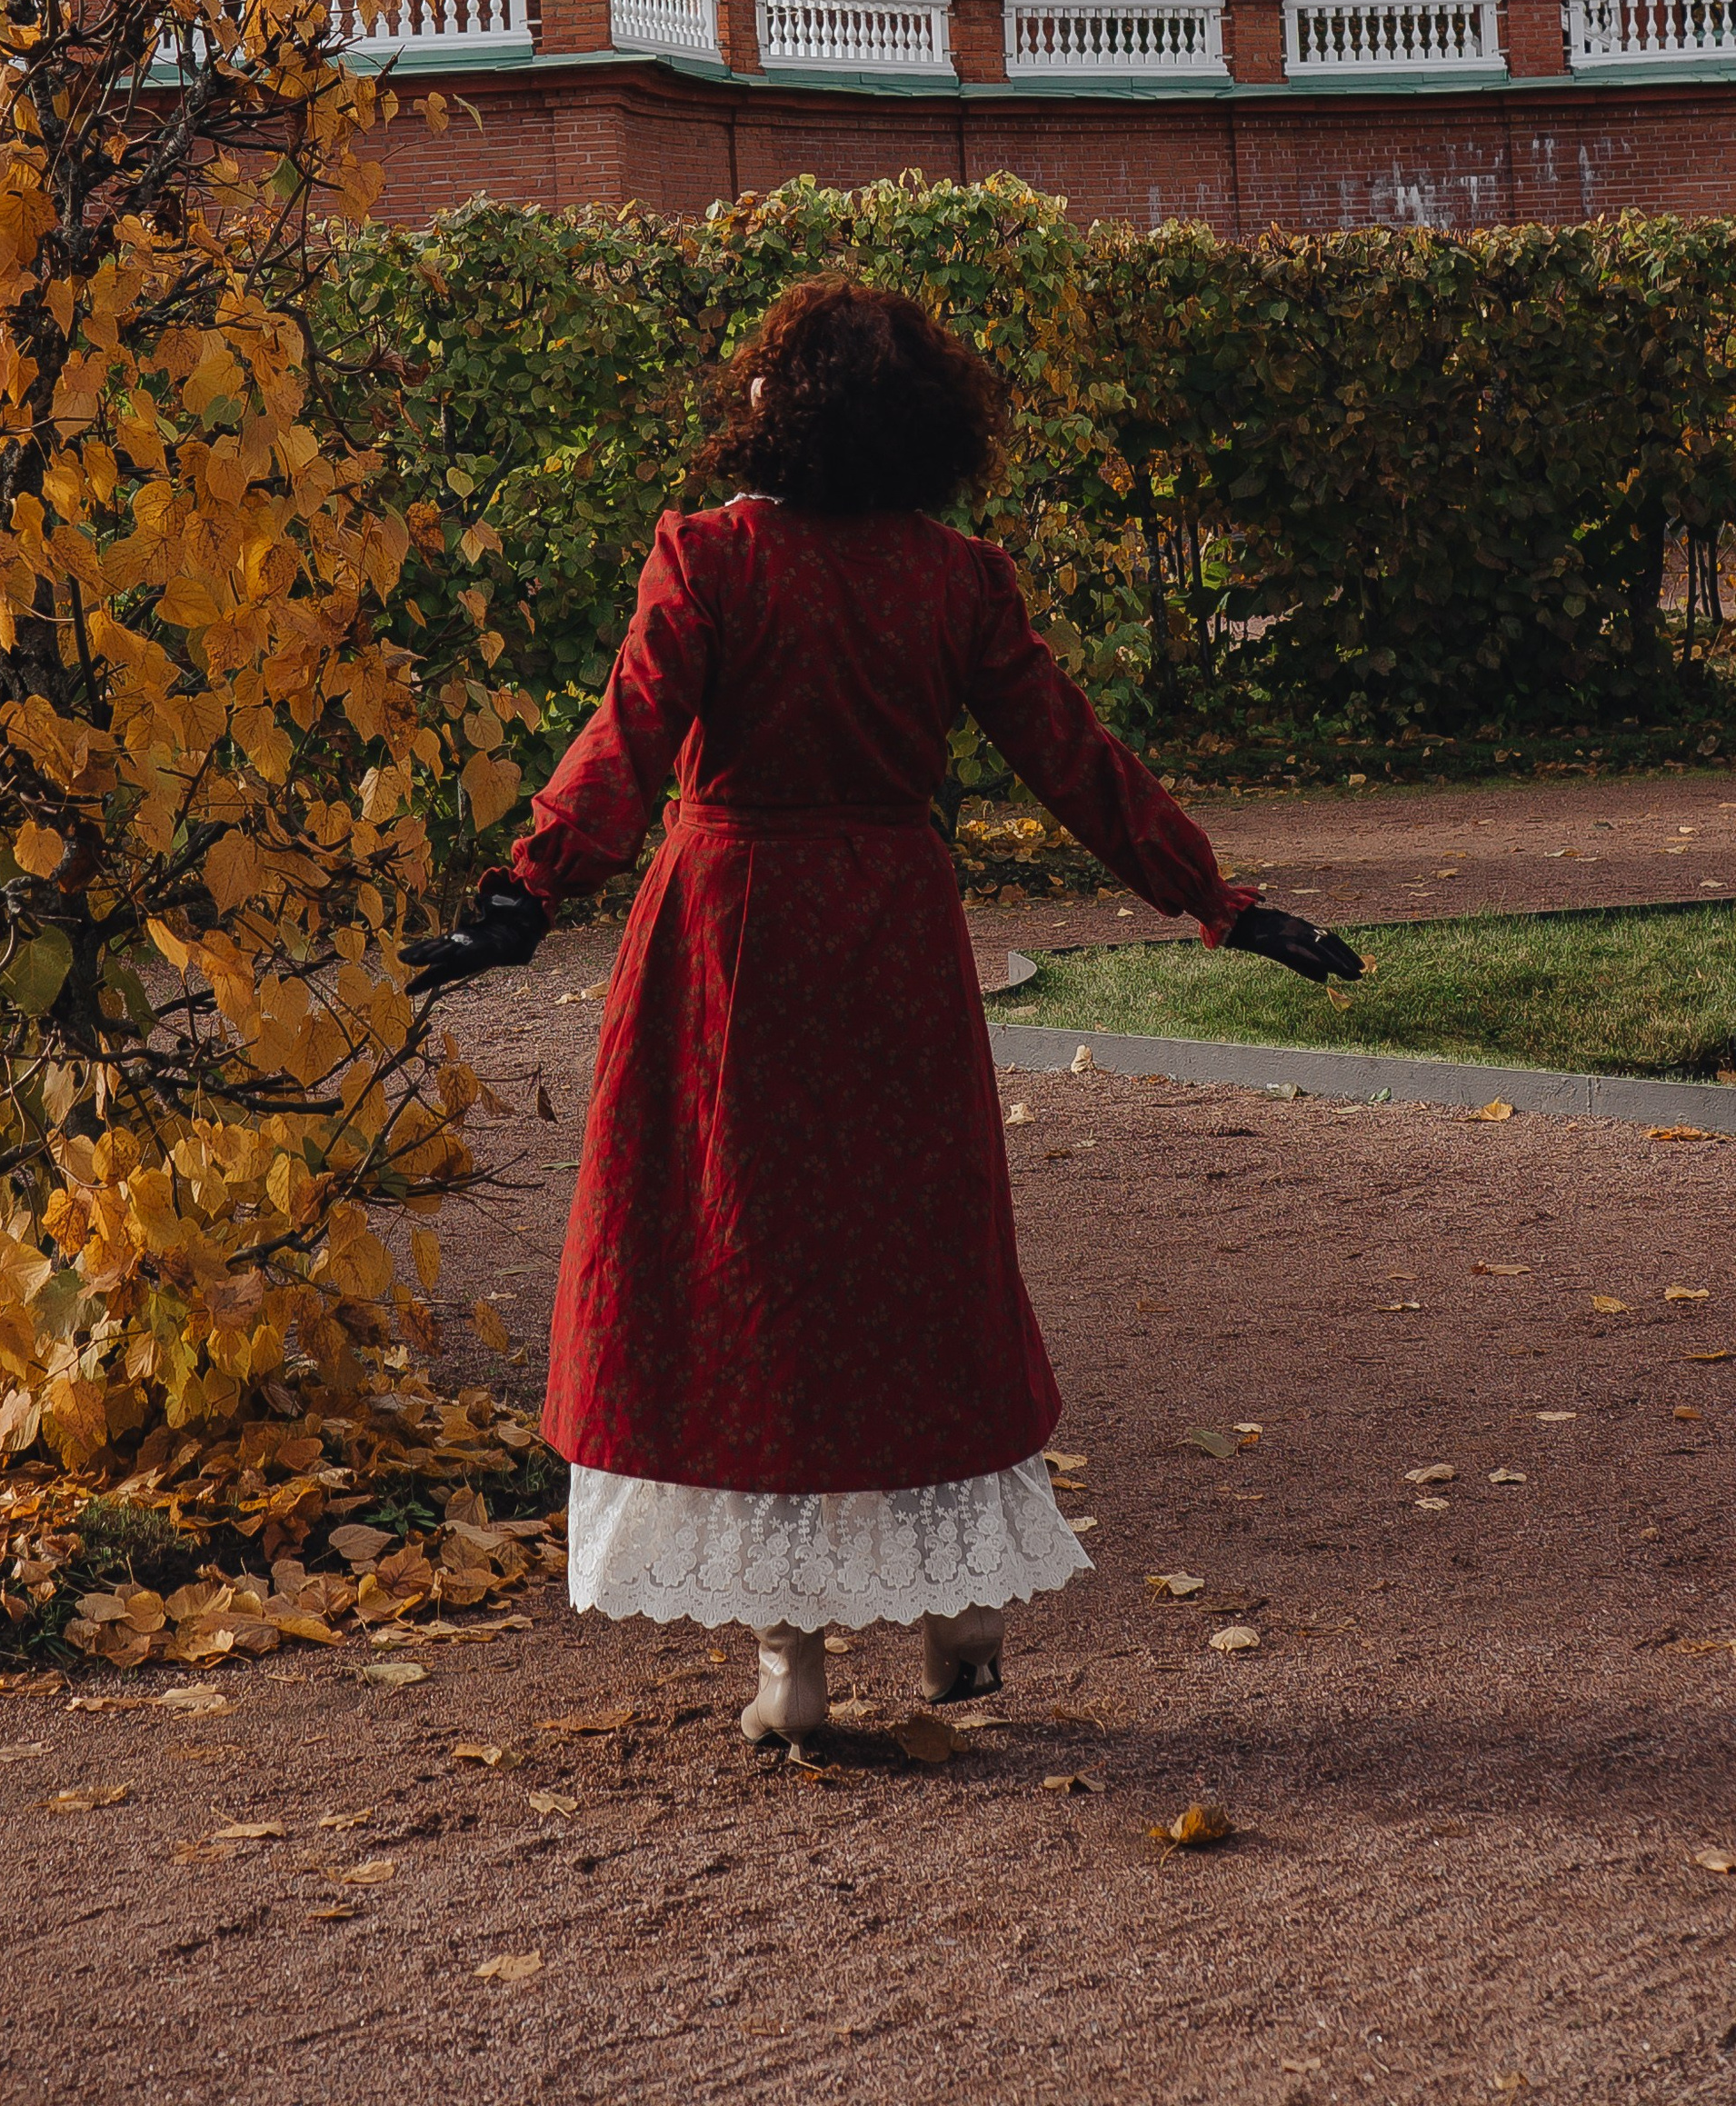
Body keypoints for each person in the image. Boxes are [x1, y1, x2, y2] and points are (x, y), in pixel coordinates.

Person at [407, 277, 1355, 1746]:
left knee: (748, 1273)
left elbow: (628, 739)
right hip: (897, 941)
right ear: (932, 423)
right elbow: (1075, 759)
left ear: (767, 412)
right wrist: (1217, 901)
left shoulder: (709, 559)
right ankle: (960, 1623)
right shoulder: (956, 578)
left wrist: (528, 892)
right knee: (923, 1263)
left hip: (729, 944)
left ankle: (789, 1664)